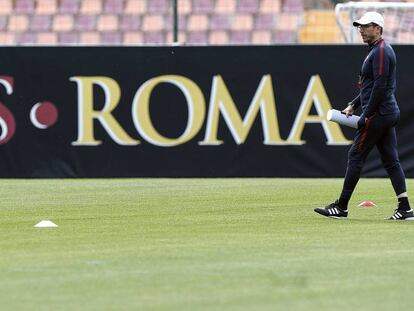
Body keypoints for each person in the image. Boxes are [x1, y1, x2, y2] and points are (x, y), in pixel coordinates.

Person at [314, 11, 414, 220]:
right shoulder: (379, 50)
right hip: (386, 112)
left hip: (378, 114)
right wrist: (353, 104)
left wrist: (366, 115)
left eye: (366, 26)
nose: (361, 29)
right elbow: (371, 87)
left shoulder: (380, 52)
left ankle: (341, 207)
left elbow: (379, 86)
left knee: (355, 156)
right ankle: (404, 208)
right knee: (391, 161)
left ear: (378, 29)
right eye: (359, 26)